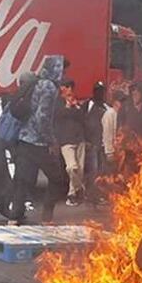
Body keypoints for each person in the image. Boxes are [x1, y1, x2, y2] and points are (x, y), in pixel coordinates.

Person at [11, 55, 70, 225]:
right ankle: (47, 217)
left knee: (23, 180)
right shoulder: (49, 87)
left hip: (24, 139)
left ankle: (15, 217)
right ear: (56, 70)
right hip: (39, 143)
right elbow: (42, 117)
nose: (64, 74)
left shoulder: (36, 82)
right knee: (57, 178)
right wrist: (51, 141)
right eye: (63, 70)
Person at [82, 81, 117, 204]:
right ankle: (90, 195)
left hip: (101, 143)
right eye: (97, 90)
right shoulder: (87, 105)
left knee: (101, 171)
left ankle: (98, 194)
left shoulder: (106, 107)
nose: (100, 93)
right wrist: (85, 140)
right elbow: (81, 122)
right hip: (90, 143)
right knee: (92, 170)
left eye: (101, 91)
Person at [56, 79, 87, 207]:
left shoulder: (77, 104)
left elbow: (83, 118)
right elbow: (58, 117)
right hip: (66, 140)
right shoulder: (57, 103)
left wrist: (76, 106)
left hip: (79, 139)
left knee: (80, 169)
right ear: (62, 89)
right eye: (67, 87)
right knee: (72, 167)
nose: (70, 90)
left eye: (71, 87)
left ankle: (72, 193)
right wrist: (68, 106)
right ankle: (80, 188)